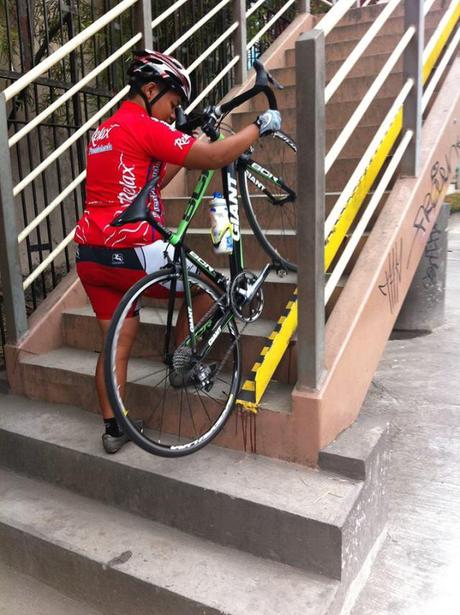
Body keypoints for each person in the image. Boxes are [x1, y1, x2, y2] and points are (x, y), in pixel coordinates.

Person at [74, 49, 281, 454]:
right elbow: (220, 156)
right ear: (150, 89)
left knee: (116, 341)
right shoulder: (144, 125)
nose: (173, 112)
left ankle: (114, 428)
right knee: (204, 289)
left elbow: (154, 175)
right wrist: (260, 125)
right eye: (172, 102)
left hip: (91, 254)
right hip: (133, 248)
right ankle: (185, 367)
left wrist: (188, 145)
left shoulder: (103, 132)